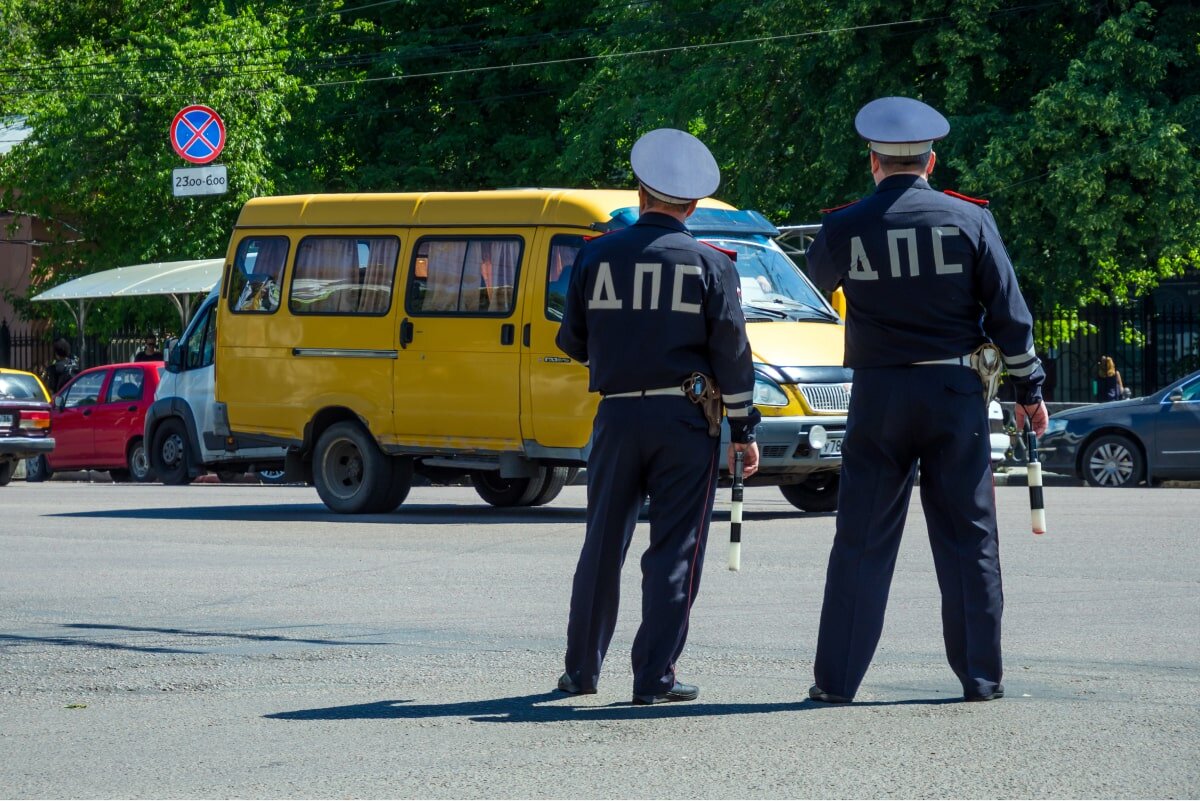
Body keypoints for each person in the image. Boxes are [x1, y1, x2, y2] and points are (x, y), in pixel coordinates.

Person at [804, 96, 1048, 704]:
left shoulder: (844, 225)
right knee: (970, 538)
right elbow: (1009, 314)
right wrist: (1028, 388)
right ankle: (981, 678)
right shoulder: (970, 221)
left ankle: (836, 683)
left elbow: (811, 283)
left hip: (880, 394)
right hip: (953, 393)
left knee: (860, 540)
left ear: (874, 162)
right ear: (931, 161)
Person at [554, 128, 761, 705]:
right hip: (685, 421)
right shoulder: (711, 264)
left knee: (602, 544)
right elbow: (733, 355)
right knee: (675, 549)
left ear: (639, 193)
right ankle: (654, 678)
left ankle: (581, 670)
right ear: (692, 205)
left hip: (616, 417)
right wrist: (743, 430)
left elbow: (572, 340)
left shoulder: (595, 255)